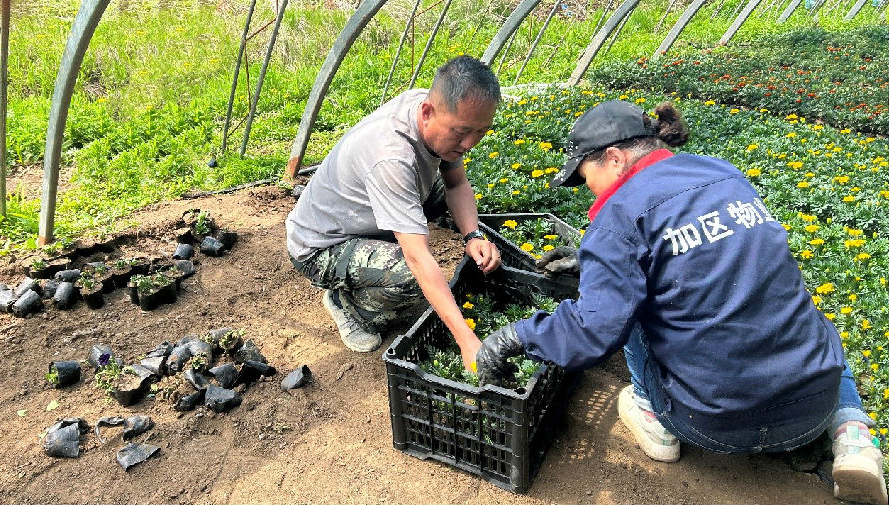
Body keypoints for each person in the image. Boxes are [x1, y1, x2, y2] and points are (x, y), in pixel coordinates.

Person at [475, 99, 888, 505]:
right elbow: (697, 250)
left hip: (712, 426)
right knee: (795, 306)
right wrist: (592, 261)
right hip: (811, 412)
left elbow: (594, 330)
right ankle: (853, 436)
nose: (588, 191)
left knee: (631, 311)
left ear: (615, 159)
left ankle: (655, 421)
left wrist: (514, 336)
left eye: (586, 177)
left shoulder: (618, 216)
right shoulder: (724, 175)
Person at [285, 55, 502, 370]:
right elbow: (417, 258)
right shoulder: (391, 157)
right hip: (321, 246)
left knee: (447, 199)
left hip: (368, 214)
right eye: (461, 133)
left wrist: (473, 235)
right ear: (427, 113)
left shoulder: (435, 115)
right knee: (409, 279)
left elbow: (456, 185)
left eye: (480, 132)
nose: (469, 143)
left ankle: (370, 268)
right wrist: (467, 340)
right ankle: (348, 304)